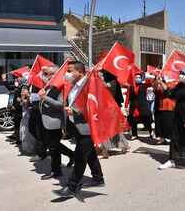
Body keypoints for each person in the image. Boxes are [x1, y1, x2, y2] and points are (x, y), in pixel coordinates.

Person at [53, 62, 104, 199]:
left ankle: (72, 187)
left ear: (80, 72)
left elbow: (92, 107)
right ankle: (98, 178)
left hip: (87, 128)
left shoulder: (88, 85)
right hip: (77, 127)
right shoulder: (75, 86)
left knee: (80, 157)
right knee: (90, 154)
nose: (68, 74)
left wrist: (74, 112)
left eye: (70, 71)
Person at [38, 66, 75, 180]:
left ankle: (56, 171)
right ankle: (71, 155)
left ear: (55, 75)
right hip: (47, 121)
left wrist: (45, 98)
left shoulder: (59, 87)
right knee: (53, 146)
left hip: (55, 123)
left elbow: (61, 105)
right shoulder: (49, 86)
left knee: (54, 149)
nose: (46, 76)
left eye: (48, 74)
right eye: (46, 74)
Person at [99, 71, 130, 158]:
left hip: (112, 108)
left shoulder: (113, 81)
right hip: (104, 107)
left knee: (110, 129)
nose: (102, 75)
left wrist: (100, 80)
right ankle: (121, 146)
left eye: (103, 74)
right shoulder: (107, 80)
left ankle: (106, 149)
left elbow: (108, 89)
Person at [127, 73, 153, 140]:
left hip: (142, 105)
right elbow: (128, 96)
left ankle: (151, 132)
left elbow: (151, 81)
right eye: (136, 77)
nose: (137, 78)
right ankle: (134, 134)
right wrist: (126, 105)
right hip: (134, 106)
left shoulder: (144, 86)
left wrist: (148, 76)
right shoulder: (131, 86)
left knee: (146, 120)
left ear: (141, 78)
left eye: (139, 77)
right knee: (133, 121)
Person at [153, 77, 176, 144]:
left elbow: (167, 91)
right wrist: (157, 81)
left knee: (168, 124)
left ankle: (170, 139)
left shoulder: (172, 83)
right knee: (159, 124)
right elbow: (155, 89)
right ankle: (161, 139)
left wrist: (161, 82)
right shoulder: (159, 85)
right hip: (158, 107)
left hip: (168, 108)